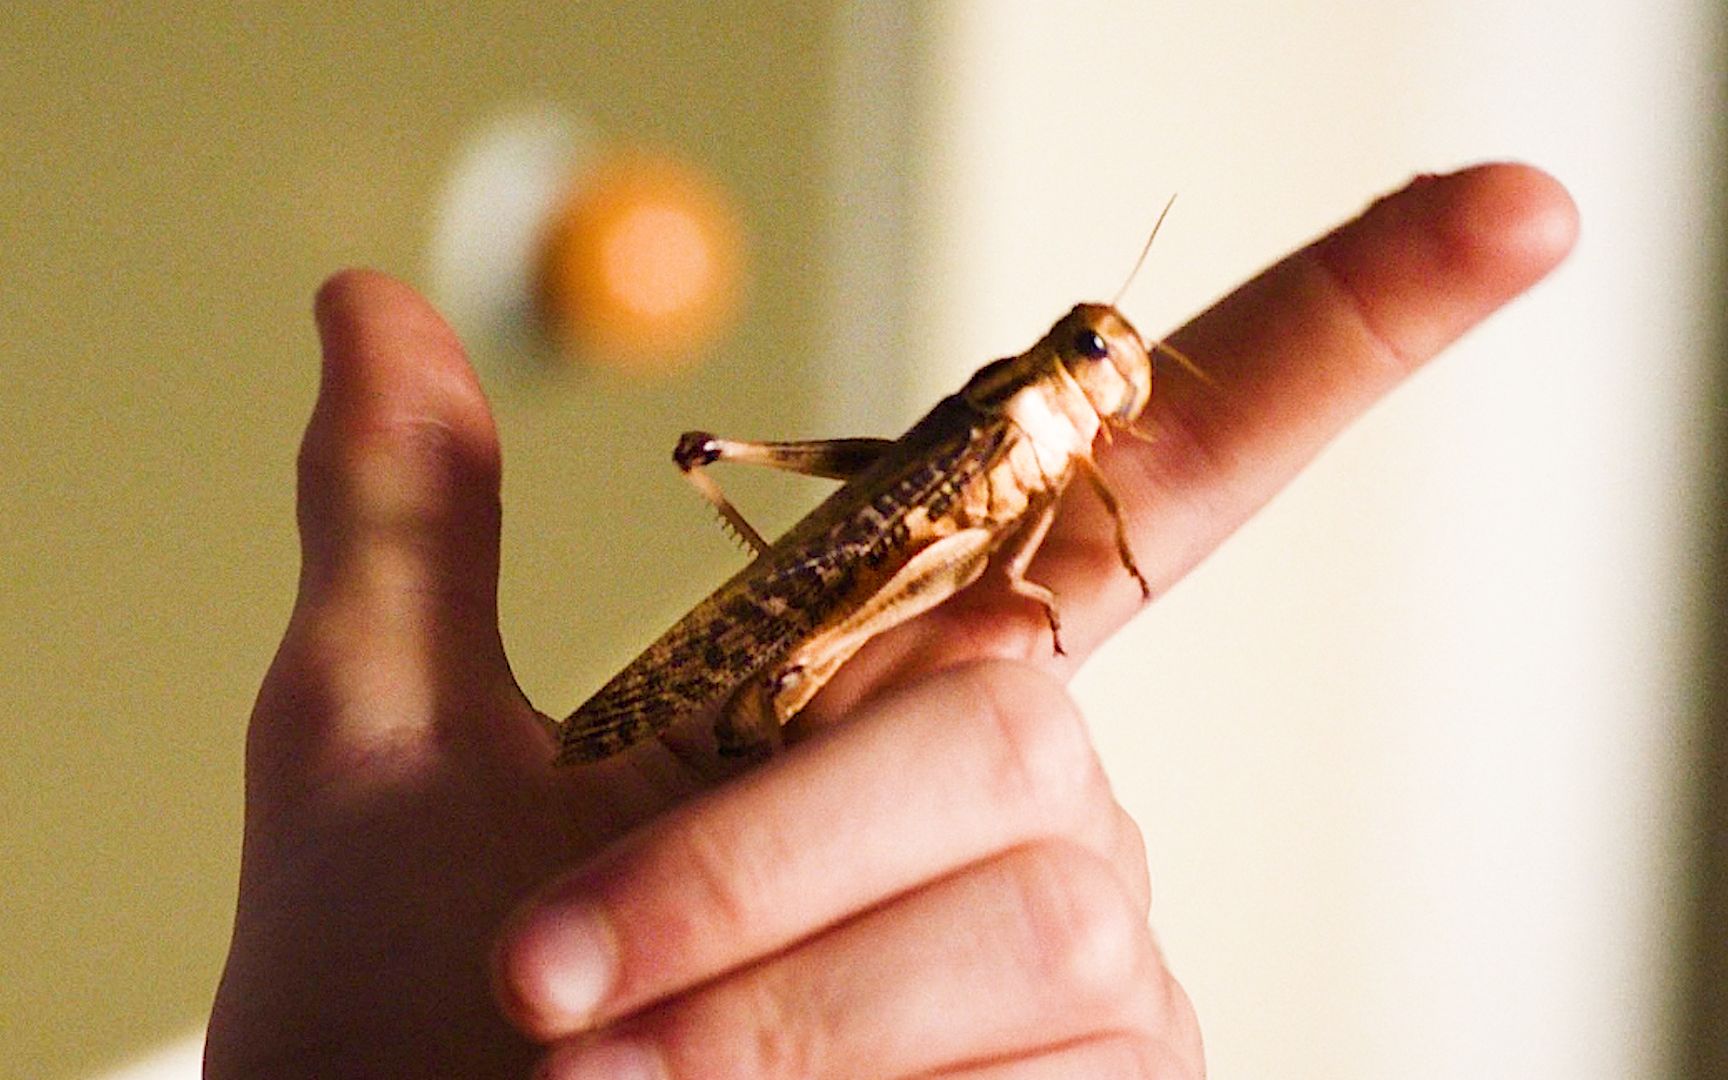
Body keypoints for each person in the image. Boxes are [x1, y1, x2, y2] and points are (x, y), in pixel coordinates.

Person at [203, 164, 1577, 1079]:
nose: (1119, 370)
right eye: (1101, 353)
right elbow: (990, 538)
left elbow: (1023, 544)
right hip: (885, 543)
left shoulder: (1067, 429)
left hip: (902, 565)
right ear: (1071, 367)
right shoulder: (1033, 420)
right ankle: (748, 680)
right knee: (837, 547)